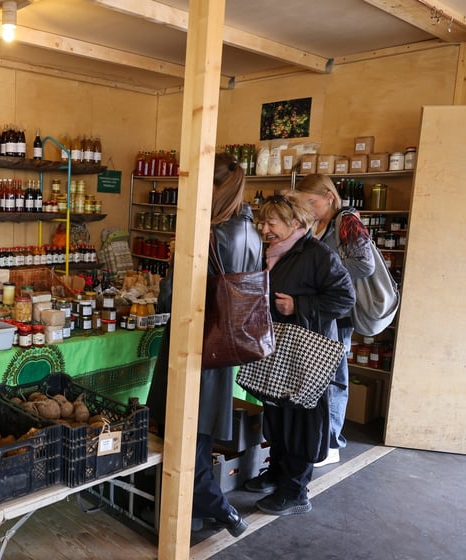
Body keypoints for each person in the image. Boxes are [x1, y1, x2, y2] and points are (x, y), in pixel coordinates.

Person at [146, 152, 262, 536]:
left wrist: (175, 261)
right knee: (199, 435)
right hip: (224, 345)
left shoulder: (206, 235)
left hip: (193, 342)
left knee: (184, 435)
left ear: (213, 187)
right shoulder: (252, 233)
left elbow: (171, 299)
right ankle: (199, 512)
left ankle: (219, 509)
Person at [244, 194, 355, 515]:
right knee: (277, 412)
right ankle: (277, 474)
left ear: (295, 223)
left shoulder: (317, 254)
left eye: (271, 223)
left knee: (301, 419)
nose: (264, 229)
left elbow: (344, 298)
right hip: (277, 346)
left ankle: (295, 491)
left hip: (305, 351)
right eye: (262, 222)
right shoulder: (274, 253)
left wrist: (298, 305)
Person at [295, 174, 374, 467]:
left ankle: (331, 444)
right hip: (320, 311)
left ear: (330, 196)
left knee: (335, 379)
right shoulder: (316, 224)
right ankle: (317, 437)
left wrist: (321, 268)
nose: (308, 208)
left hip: (339, 313)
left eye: (311, 201)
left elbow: (364, 265)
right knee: (319, 376)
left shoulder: (347, 221)